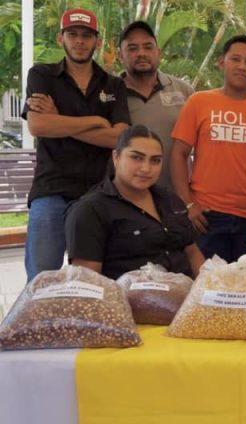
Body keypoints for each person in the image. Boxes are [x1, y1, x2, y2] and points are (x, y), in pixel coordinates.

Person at [21, 7, 131, 281]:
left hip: (98, 193)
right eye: (72, 34)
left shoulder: (113, 84)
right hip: (51, 190)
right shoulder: (42, 75)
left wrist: (60, 120)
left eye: (86, 35)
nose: (79, 41)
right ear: (61, 39)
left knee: (95, 282)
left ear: (97, 41)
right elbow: (39, 126)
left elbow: (118, 138)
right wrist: (95, 120)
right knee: (40, 280)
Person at [171, 35, 246, 263]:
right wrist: (187, 205)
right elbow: (178, 154)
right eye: (236, 59)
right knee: (207, 288)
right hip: (206, 217)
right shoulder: (198, 102)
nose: (242, 66)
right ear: (222, 63)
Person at [65, 125, 205, 280]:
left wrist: (205, 291)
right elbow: (87, 282)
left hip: (184, 298)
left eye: (155, 160)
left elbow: (192, 252)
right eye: (136, 157)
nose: (146, 168)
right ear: (116, 157)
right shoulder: (90, 210)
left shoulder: (171, 201)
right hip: (124, 301)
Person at [118, 20, 194, 190]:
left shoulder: (184, 91)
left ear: (158, 52)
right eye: (132, 48)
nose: (141, 53)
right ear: (120, 56)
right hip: (125, 199)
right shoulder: (109, 93)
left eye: (148, 47)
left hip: (176, 197)